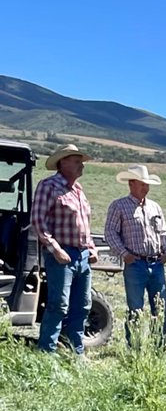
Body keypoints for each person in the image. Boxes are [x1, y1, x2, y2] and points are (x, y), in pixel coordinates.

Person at [31, 142, 97, 354]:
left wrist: (91, 247)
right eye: (77, 161)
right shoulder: (48, 186)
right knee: (58, 305)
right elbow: (38, 221)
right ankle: (46, 352)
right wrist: (56, 249)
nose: (81, 165)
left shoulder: (78, 190)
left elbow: (85, 224)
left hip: (82, 255)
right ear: (63, 163)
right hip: (62, 255)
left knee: (82, 305)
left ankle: (76, 351)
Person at [105, 164, 166, 347]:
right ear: (131, 184)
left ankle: (158, 346)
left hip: (156, 263)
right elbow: (110, 232)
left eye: (146, 184)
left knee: (160, 308)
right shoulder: (119, 206)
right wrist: (124, 254)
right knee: (135, 308)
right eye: (142, 184)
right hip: (135, 264)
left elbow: (163, 232)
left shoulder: (154, 207)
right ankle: (134, 346)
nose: (145, 187)